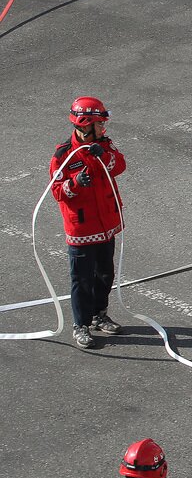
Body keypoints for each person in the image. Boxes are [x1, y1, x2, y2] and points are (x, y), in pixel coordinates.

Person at [49, 97, 126, 349]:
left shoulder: (104, 145)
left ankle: (98, 314)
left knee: (105, 274)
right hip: (82, 230)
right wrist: (75, 185)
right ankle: (80, 325)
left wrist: (103, 154)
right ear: (85, 125)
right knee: (81, 279)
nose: (104, 129)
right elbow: (57, 191)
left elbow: (119, 166)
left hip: (106, 226)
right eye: (100, 124)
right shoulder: (63, 155)